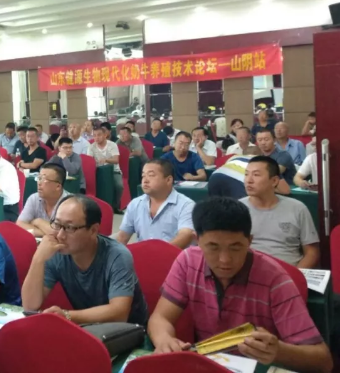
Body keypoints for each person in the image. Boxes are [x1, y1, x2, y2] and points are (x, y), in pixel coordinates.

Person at [148, 197, 332, 373]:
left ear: (250, 241)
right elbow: (160, 318)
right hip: (208, 365)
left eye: (235, 247)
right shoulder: (188, 261)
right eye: (213, 247)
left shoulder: (275, 280)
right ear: (197, 240)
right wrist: (164, 340)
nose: (225, 260)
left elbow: (323, 361)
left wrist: (279, 351)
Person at [22, 195, 148, 325]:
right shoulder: (57, 251)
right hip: (88, 327)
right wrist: (38, 259)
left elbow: (119, 314)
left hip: (128, 331)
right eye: (57, 224)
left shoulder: (117, 255)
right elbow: (30, 306)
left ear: (93, 230)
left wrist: (67, 315)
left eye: (70, 227)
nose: (60, 235)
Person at [241, 156, 319, 267]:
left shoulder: (297, 208)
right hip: (250, 272)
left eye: (256, 175)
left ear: (274, 181)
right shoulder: (237, 209)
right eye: (246, 174)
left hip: (289, 270)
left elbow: (312, 252)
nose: (249, 180)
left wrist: (295, 275)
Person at [116, 159, 195, 248]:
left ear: (168, 180)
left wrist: (157, 255)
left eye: (151, 175)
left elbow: (185, 236)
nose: (145, 180)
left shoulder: (186, 205)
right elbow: (122, 237)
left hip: (174, 256)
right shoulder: (135, 204)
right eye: (143, 176)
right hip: (143, 255)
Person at [17, 164, 70, 237]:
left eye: (44, 179)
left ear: (58, 186)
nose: (39, 183)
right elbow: (20, 224)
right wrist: (43, 232)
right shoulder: (34, 198)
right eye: (39, 178)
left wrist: (38, 221)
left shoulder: (69, 204)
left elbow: (60, 233)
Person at [87, 125, 124, 211]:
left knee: (119, 186)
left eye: (99, 135)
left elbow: (116, 160)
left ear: (105, 135)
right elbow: (90, 162)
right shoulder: (91, 147)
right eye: (94, 135)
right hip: (98, 172)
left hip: (114, 171)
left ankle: (115, 206)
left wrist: (106, 160)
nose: (96, 137)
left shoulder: (112, 145)